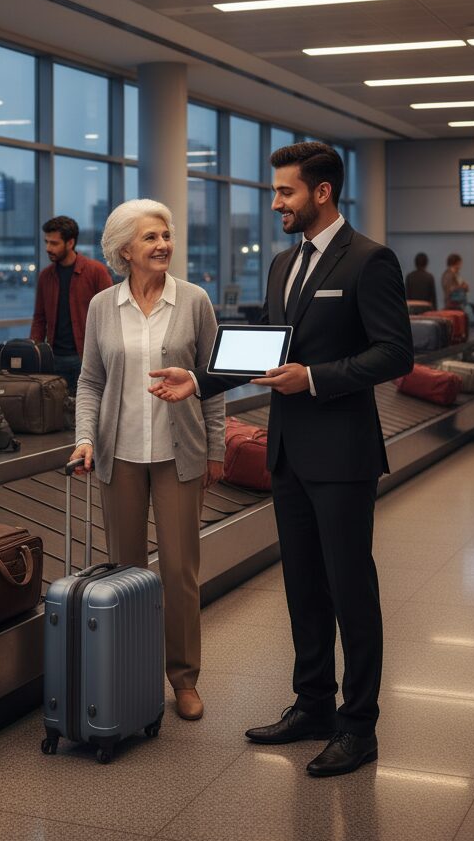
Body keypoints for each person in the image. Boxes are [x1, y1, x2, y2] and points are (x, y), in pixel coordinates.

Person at [148, 142, 413, 777]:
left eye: (285, 192)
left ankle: (360, 724)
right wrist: (199, 380)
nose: (276, 202)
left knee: (351, 588)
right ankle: (314, 703)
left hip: (342, 453)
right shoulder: (283, 263)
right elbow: (261, 342)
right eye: (275, 192)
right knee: (302, 585)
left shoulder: (371, 261)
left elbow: (395, 353)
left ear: (322, 193)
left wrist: (316, 377)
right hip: (289, 453)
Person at [70, 199, 225, 723]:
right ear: (123, 251)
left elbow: (214, 382)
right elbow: (91, 382)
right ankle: (133, 677)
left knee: (180, 572)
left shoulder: (195, 301)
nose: (162, 245)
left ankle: (183, 679)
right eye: (150, 238)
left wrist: (218, 449)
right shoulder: (101, 307)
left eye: (166, 235)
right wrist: (85, 438)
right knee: (127, 573)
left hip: (180, 457)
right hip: (120, 459)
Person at [29, 215, 113, 394]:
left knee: (86, 412)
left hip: (85, 357)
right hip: (53, 357)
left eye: (54, 243)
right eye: (46, 242)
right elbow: (39, 318)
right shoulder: (46, 276)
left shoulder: (95, 271)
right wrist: (34, 351)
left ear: (70, 243)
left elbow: (111, 316)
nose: (48, 248)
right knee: (56, 414)